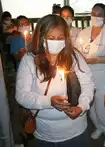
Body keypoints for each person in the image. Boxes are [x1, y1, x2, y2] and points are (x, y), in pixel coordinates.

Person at [15, 14, 95, 147]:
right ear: (40, 37)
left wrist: (81, 106)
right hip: (45, 132)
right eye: (51, 38)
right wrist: (49, 101)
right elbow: (21, 95)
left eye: (60, 38)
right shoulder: (29, 60)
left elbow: (88, 85)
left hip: (75, 130)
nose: (56, 41)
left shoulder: (74, 57)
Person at [75, 3, 105, 147]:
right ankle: (99, 127)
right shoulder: (84, 32)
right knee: (89, 107)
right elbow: (77, 50)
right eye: (93, 14)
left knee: (103, 108)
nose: (95, 17)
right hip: (87, 76)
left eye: (99, 14)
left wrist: (99, 60)